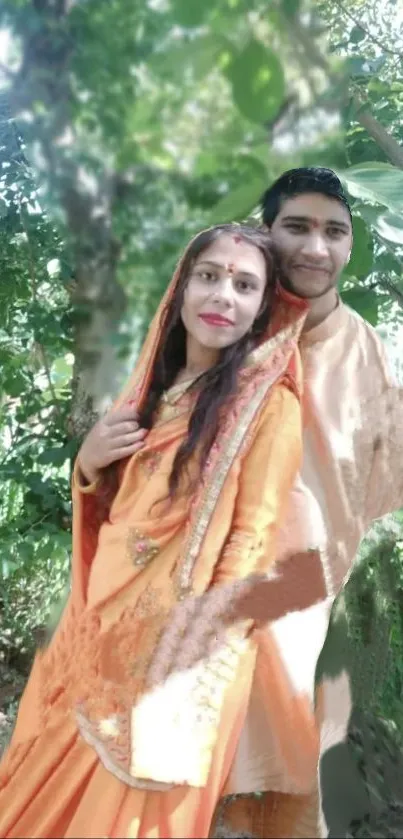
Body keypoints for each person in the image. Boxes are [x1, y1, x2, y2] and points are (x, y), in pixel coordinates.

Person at [0, 223, 319, 839]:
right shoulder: (154, 391)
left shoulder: (268, 407)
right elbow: (116, 511)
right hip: (100, 637)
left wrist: (190, 666)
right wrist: (88, 464)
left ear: (261, 310)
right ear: (180, 290)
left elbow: (250, 540)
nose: (223, 295)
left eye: (245, 285)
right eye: (209, 276)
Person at [214, 168, 403, 838]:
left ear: (350, 246)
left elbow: (381, 482)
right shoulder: (220, 324)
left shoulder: (364, 351)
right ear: (264, 233)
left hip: (301, 605)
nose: (315, 247)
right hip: (197, 599)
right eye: (296, 226)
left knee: (284, 789)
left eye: (334, 231)